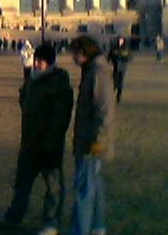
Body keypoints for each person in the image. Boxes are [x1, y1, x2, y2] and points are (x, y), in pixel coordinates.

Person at [2, 43, 74, 235]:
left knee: (53, 186)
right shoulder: (32, 80)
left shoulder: (59, 84)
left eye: (39, 61)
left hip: (49, 144)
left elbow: (61, 118)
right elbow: (23, 100)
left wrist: (52, 142)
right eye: (35, 60)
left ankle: (51, 222)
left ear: (50, 63)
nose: (35, 64)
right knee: (22, 183)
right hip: (29, 142)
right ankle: (15, 216)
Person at [68, 35, 116, 235]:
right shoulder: (93, 70)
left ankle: (81, 230)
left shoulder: (97, 73)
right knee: (94, 185)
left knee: (84, 188)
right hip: (90, 138)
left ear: (84, 52)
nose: (73, 57)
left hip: (91, 141)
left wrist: (98, 141)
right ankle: (97, 226)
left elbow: (104, 111)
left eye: (75, 53)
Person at [107, 36, 131, 104]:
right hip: (116, 67)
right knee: (114, 82)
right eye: (119, 40)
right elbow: (109, 56)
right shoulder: (114, 48)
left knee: (121, 83)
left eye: (121, 40)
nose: (120, 41)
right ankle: (111, 95)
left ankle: (118, 96)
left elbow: (129, 56)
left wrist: (125, 59)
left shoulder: (126, 48)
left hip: (123, 68)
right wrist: (111, 61)